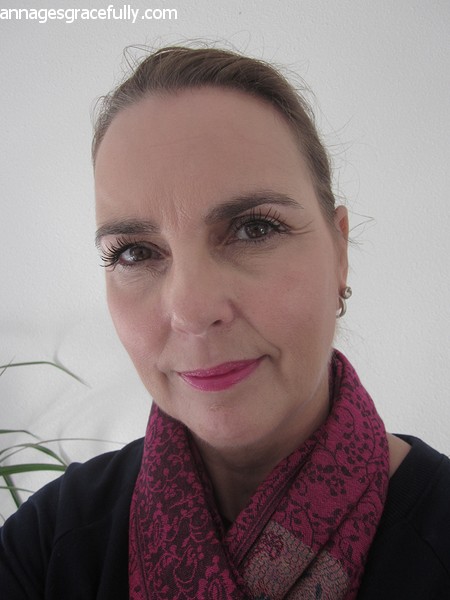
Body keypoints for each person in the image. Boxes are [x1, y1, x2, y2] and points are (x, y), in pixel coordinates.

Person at [1, 45, 449, 600]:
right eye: (135, 252)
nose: (191, 310)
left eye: (254, 228)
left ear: (339, 252)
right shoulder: (48, 544)